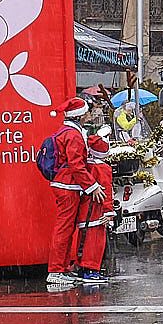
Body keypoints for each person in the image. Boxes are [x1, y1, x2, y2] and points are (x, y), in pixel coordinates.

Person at [40, 96, 97, 290]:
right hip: (67, 186)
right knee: (64, 228)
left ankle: (61, 268)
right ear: (80, 116)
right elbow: (76, 165)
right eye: (87, 112)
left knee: (66, 228)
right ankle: (56, 270)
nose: (89, 115)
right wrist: (92, 186)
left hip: (65, 185)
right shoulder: (73, 135)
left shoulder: (66, 132)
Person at [73, 131, 114, 285]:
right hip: (96, 210)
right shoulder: (103, 168)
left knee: (84, 238)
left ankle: (82, 268)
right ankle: (91, 270)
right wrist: (109, 211)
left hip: (85, 207)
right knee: (95, 241)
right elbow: (106, 191)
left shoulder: (86, 165)